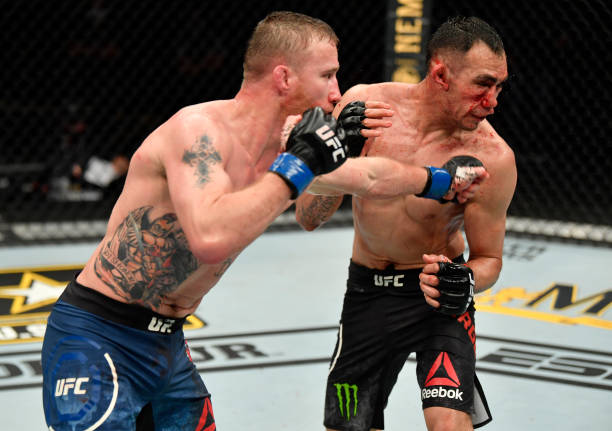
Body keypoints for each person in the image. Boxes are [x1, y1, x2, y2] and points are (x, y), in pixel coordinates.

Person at [40, 11, 487, 430]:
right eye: (328, 75)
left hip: (167, 345)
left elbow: (369, 176)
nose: (337, 92)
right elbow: (210, 238)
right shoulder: (198, 132)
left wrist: (439, 181)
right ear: (283, 76)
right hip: (99, 336)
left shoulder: (283, 146)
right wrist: (297, 168)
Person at [295, 16, 517, 431]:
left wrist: (464, 281)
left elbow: (489, 259)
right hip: (368, 296)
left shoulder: (493, 157)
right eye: (483, 85)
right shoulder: (367, 108)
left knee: (449, 424)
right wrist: (339, 150)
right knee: (346, 424)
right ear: (440, 74)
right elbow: (309, 217)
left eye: (499, 87)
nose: (493, 102)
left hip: (439, 303)